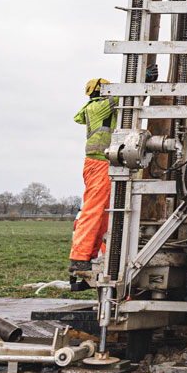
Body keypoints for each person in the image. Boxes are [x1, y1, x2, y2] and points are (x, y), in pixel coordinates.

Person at [69, 78, 115, 288]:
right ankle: (79, 257)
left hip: (102, 164)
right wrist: (145, 81)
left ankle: (89, 257)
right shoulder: (99, 107)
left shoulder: (96, 108)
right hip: (100, 164)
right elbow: (126, 96)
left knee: (104, 214)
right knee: (94, 211)